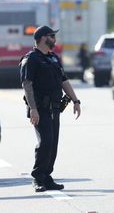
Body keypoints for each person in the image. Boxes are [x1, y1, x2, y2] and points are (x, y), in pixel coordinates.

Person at [19, 26, 81, 192]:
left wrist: (76, 100)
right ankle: (38, 178)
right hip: (39, 108)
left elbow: (64, 80)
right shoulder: (31, 58)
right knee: (45, 142)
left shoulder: (53, 58)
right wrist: (33, 109)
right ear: (42, 38)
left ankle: (47, 176)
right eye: (52, 36)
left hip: (55, 108)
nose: (55, 39)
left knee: (52, 143)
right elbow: (27, 85)